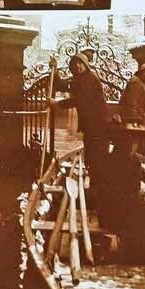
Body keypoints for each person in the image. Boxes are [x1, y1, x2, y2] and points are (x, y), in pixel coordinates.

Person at [51, 53, 111, 202]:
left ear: (86, 65)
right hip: (91, 126)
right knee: (91, 155)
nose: (78, 66)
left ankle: (100, 192)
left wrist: (57, 104)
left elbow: (78, 100)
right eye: (75, 64)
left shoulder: (90, 80)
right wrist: (55, 70)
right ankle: (96, 189)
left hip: (100, 125)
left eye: (81, 63)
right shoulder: (78, 80)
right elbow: (61, 85)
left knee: (97, 157)